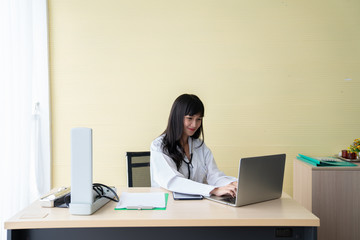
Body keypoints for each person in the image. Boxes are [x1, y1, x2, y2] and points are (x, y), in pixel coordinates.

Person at [150, 94, 237, 197]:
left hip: (196, 205)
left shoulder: (199, 145)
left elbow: (214, 175)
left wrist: (233, 184)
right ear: (177, 117)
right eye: (190, 118)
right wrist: (214, 190)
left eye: (199, 119)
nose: (194, 124)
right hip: (169, 205)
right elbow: (173, 181)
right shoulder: (159, 146)